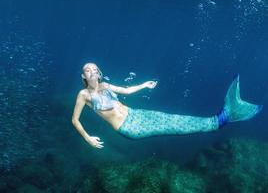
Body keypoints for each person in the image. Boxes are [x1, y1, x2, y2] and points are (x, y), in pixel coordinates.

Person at [72, 63, 263, 149]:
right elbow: (75, 120)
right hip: (129, 127)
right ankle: (220, 121)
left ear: (98, 73)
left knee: (172, 118)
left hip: (136, 114)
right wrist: (88, 138)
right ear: (84, 76)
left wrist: (144, 84)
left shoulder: (105, 85)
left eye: (94, 69)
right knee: (170, 126)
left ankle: (218, 119)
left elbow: (126, 90)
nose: (92, 70)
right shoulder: (84, 95)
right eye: (87, 69)